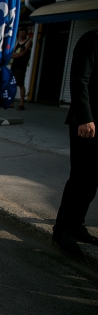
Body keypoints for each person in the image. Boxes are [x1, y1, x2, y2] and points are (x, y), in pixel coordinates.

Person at [53, 29, 98, 257]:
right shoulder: (92, 39)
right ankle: (62, 230)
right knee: (81, 176)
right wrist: (85, 117)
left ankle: (77, 224)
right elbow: (80, 80)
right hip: (87, 123)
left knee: (93, 180)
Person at [11, 27, 33, 111]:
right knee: (12, 84)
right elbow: (12, 53)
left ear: (26, 33)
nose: (21, 34)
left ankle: (21, 103)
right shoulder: (17, 43)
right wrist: (15, 54)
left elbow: (22, 54)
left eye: (23, 33)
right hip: (14, 65)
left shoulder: (28, 42)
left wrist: (16, 55)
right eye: (20, 33)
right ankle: (11, 102)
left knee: (20, 84)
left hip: (21, 66)